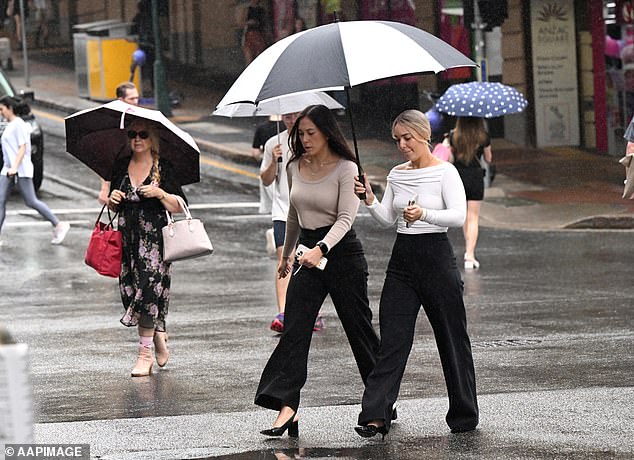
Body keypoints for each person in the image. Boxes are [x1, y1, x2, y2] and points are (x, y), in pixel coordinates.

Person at [255, 104, 379, 437]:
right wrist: (286, 254)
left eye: (311, 133)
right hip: (306, 250)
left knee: (359, 329)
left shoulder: (347, 168)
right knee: (295, 327)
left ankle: (381, 402)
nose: (305, 139)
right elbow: (294, 211)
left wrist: (321, 249)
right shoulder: (295, 166)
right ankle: (287, 406)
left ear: (327, 133)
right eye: (301, 134)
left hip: (341, 253)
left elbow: (345, 219)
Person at [353, 109, 478, 438]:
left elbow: (458, 216)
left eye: (407, 138)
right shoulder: (396, 174)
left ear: (424, 136)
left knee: (451, 339)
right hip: (403, 260)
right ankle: (376, 414)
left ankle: (464, 414)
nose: (402, 145)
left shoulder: (445, 172)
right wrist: (369, 199)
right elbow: (387, 218)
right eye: (397, 140)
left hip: (436, 257)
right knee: (392, 341)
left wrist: (425, 214)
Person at [107, 119, 186, 377]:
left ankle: (144, 355)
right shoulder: (120, 165)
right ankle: (158, 335)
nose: (137, 139)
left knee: (148, 292)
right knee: (132, 292)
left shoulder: (163, 167)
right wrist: (113, 200)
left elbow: (180, 206)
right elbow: (113, 204)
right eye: (132, 135)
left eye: (142, 134)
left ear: (152, 138)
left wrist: (160, 194)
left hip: (155, 241)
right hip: (128, 239)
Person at [260, 112, 324, 333]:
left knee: (310, 260)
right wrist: (274, 161)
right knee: (284, 259)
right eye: (287, 116)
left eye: (295, 115)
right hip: (282, 211)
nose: (291, 120)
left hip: (310, 210)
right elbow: (266, 179)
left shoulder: (313, 142)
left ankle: (312, 311)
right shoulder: (273, 144)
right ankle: (284, 312)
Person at [0, 96, 70, 247]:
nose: (1, 113)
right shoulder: (11, 124)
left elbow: (23, 148)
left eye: (2, 109)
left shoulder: (18, 124)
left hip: (20, 169)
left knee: (31, 200)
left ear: (10, 108)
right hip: (8, 168)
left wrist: (15, 167)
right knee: (0, 201)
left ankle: (58, 224)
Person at [449, 117, 492, 269]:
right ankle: (470, 254)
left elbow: (450, 158)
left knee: (464, 216)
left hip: (458, 176)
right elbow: (488, 158)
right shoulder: (483, 136)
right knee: (473, 217)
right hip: (475, 176)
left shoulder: (453, 136)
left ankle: (468, 249)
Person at [98, 82, 141, 205]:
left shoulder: (143, 119)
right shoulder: (113, 124)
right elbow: (106, 157)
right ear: (120, 100)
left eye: (137, 98)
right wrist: (105, 188)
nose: (136, 101)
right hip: (123, 177)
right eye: (131, 98)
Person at [241, 0, 267, 65]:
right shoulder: (247, 10)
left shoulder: (261, 10)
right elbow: (241, 22)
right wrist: (248, 23)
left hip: (259, 35)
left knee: (258, 58)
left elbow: (265, 23)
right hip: (249, 35)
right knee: (249, 58)